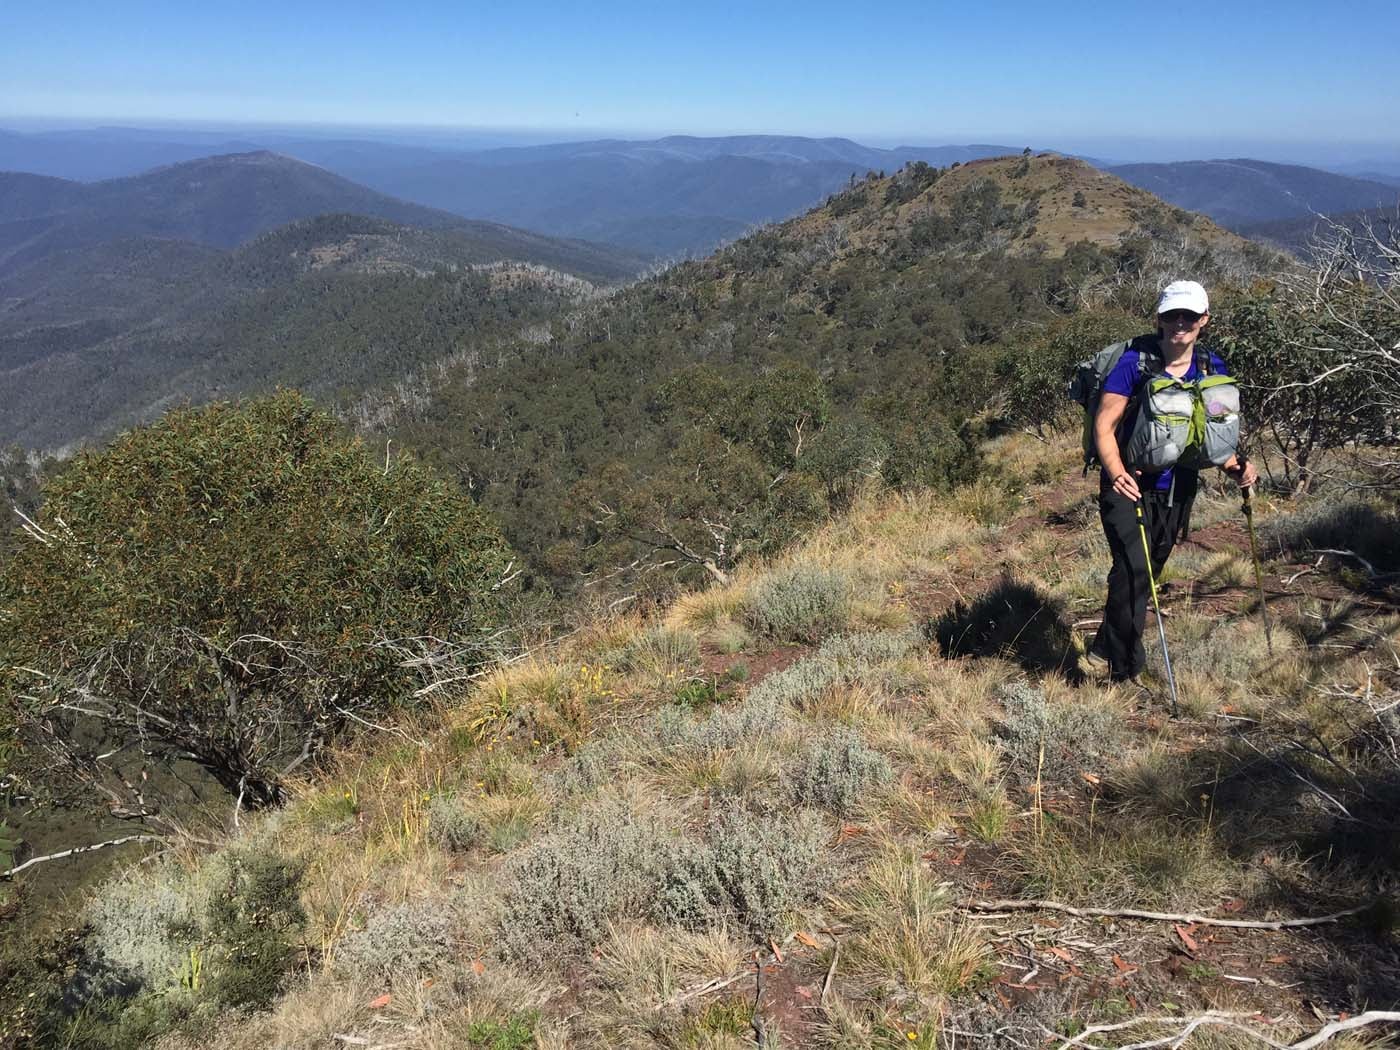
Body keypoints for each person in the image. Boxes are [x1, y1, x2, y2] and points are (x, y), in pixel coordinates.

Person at [1087, 280, 1259, 682]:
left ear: (1204, 320)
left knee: (1146, 573)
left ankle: (1103, 645)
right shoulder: (1135, 363)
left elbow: (1212, 431)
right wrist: (1116, 473)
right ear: (1159, 319)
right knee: (1132, 570)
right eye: (1171, 315)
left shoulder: (1211, 367)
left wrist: (1235, 466)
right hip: (1128, 482)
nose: (1179, 323)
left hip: (1178, 488)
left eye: (1189, 316)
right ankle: (1126, 669)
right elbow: (1104, 426)